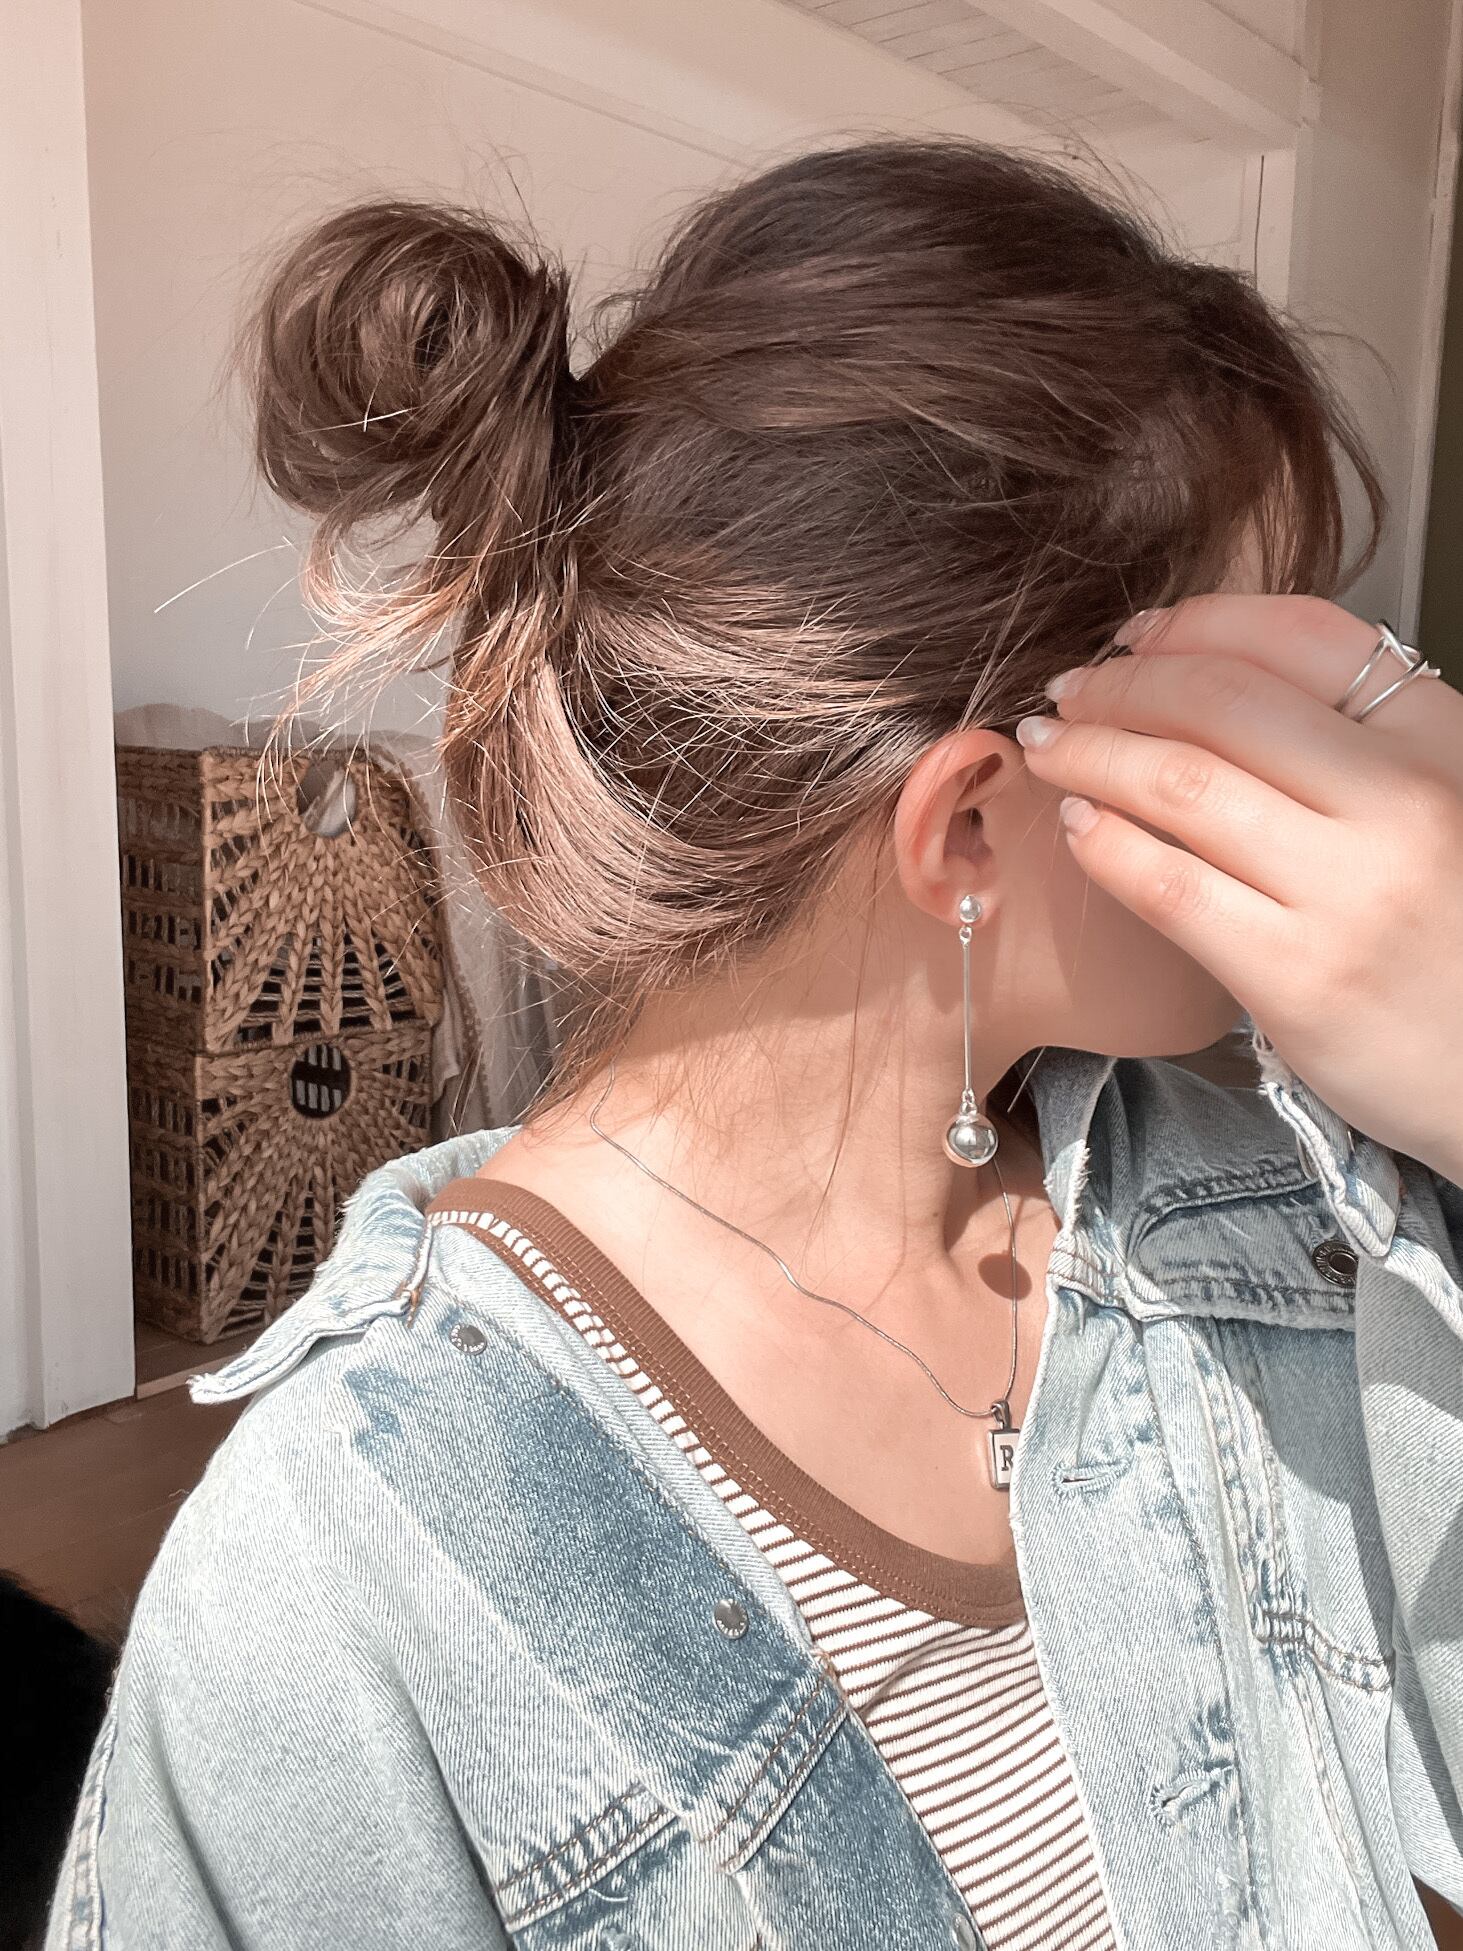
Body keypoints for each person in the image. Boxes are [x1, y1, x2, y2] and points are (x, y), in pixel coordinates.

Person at [47, 139, 1463, 1950]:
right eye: (1270, 681)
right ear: (971, 828)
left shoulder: (1298, 1219)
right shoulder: (338, 1582)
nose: (1348, 737)